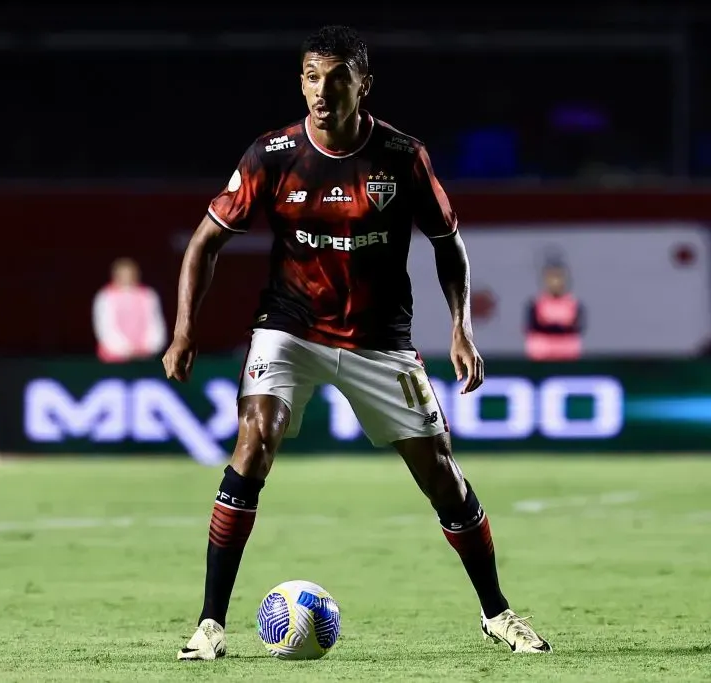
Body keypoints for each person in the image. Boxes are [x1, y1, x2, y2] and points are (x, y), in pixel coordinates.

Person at [163, 26, 550, 660]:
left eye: (337, 77)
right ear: (301, 83)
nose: (322, 90)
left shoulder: (401, 156)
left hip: (379, 339)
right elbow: (205, 242)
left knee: (442, 476)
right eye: (312, 77)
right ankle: (209, 625)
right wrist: (184, 330)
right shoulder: (272, 155)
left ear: (363, 84)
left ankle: (498, 613)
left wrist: (461, 327)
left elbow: (447, 243)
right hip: (289, 328)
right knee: (254, 441)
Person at [92, 257, 167, 363]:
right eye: (123, 274)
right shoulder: (105, 296)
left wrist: (150, 346)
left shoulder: (149, 295)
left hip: (146, 358)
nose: (127, 278)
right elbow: (105, 326)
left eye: (130, 274)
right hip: (114, 359)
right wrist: (125, 349)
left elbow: (155, 323)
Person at [525, 259, 584, 360]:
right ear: (545, 280)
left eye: (559, 277)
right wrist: (558, 327)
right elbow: (532, 327)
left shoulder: (574, 305)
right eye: (551, 277)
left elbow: (577, 327)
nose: (555, 281)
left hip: (568, 357)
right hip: (540, 357)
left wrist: (554, 326)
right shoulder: (535, 304)